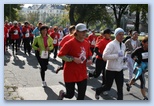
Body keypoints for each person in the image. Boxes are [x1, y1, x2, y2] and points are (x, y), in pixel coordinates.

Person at [57, 23, 92, 100]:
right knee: (70, 95)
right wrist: (73, 58)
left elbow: (89, 54)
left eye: (85, 31)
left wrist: (90, 59)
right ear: (77, 32)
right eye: (82, 31)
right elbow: (60, 55)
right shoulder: (69, 43)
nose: (84, 33)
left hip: (82, 73)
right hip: (70, 73)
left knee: (81, 97)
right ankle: (62, 94)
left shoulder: (86, 43)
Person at [95, 28, 126, 100]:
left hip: (119, 69)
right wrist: (116, 56)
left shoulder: (123, 45)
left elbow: (121, 55)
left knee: (120, 88)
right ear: (115, 35)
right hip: (110, 69)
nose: (121, 36)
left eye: (122, 34)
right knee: (107, 87)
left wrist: (124, 59)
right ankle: (98, 90)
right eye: (119, 35)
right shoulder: (111, 44)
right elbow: (104, 56)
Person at [126, 36, 148, 100]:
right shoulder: (139, 49)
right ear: (143, 43)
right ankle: (145, 97)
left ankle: (129, 84)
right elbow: (132, 55)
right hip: (139, 66)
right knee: (142, 81)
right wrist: (136, 60)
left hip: (146, 67)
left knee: (136, 78)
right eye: (147, 42)